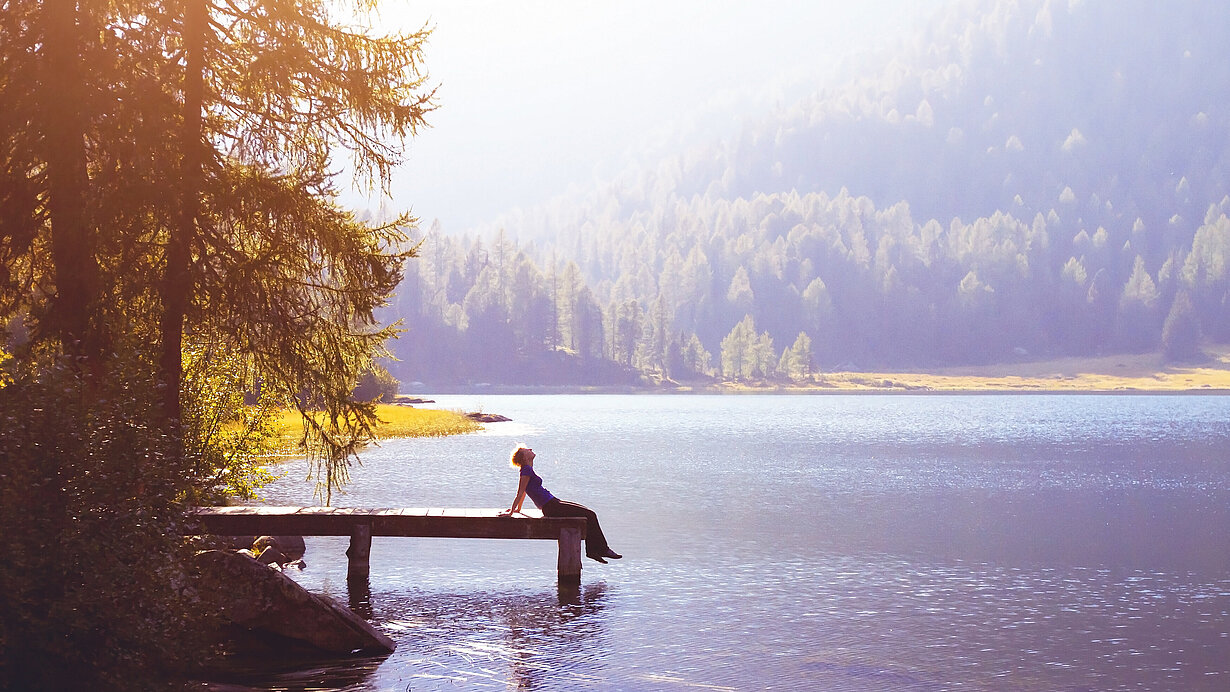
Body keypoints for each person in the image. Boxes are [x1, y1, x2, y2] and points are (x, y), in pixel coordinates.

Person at [498, 444, 622, 563]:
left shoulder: (528, 469)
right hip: (551, 507)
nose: (530, 449)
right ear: (524, 457)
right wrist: (512, 511)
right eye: (527, 449)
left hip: (553, 503)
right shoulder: (525, 470)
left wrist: (518, 509)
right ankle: (601, 549)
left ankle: (594, 550)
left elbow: (525, 491)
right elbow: (520, 492)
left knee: (588, 513)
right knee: (590, 515)